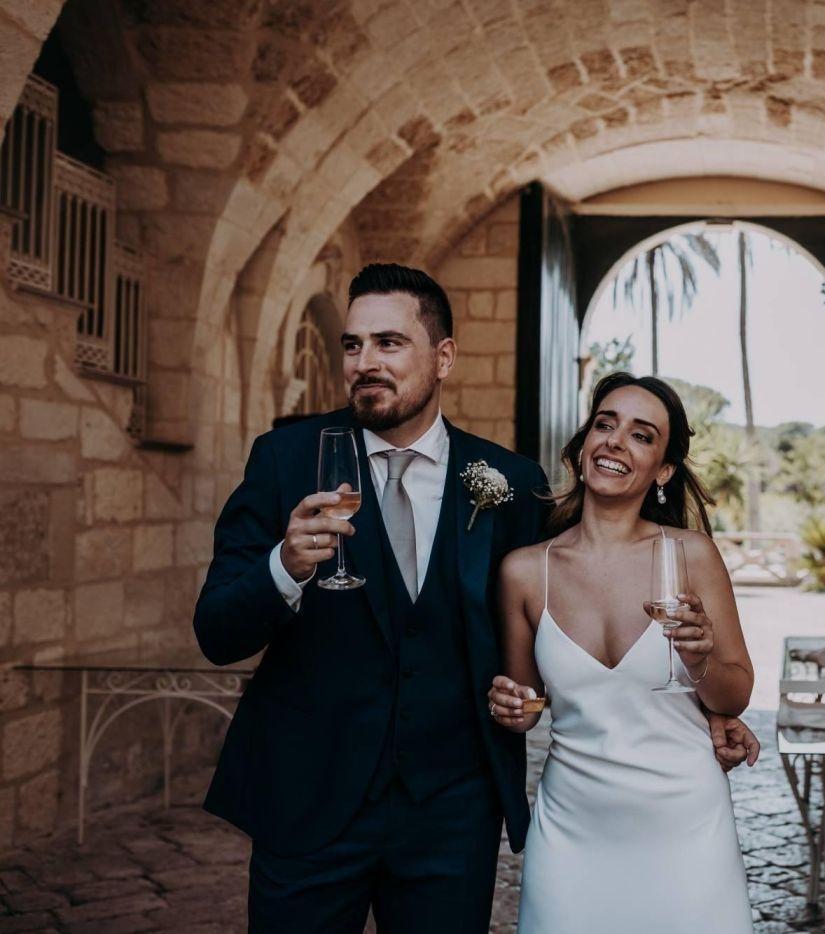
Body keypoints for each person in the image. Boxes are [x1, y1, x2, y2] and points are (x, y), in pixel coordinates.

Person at [193, 265, 759, 932]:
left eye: (388, 343)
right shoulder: (284, 459)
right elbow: (217, 632)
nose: (365, 362)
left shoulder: (510, 485)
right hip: (307, 802)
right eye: (352, 345)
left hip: (451, 819)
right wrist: (284, 567)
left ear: (444, 357)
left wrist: (706, 707)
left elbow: (574, 606)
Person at [489, 373, 756, 933]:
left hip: (688, 833)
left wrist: (700, 660)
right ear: (584, 444)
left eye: (641, 435)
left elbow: (734, 695)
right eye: (605, 425)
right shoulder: (525, 571)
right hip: (570, 836)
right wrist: (512, 707)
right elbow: (526, 704)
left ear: (663, 470)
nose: (614, 441)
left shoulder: (692, 556)